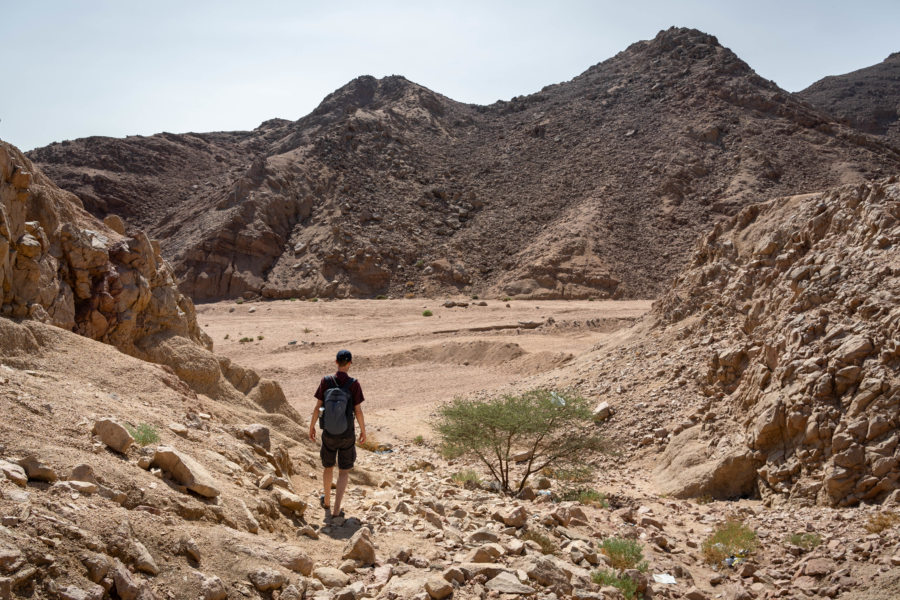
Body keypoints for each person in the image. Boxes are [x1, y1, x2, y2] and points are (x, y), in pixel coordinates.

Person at [309, 349, 367, 520]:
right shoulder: (354, 384)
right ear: (349, 363)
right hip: (347, 433)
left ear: (336, 362)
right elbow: (358, 411)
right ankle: (336, 510)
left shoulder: (326, 381)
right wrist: (363, 431)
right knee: (343, 471)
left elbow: (317, 406)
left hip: (328, 432)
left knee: (328, 467)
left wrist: (311, 426)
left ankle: (326, 502)